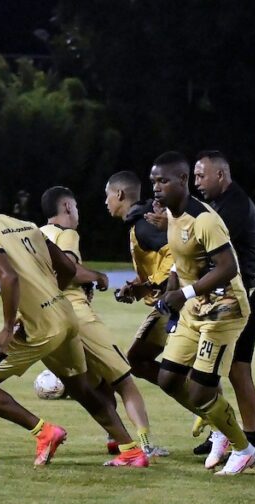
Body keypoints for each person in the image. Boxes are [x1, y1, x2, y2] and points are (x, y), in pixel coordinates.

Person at [0, 173, 145, 467]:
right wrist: (50, 295)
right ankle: (131, 450)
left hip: (39, 327)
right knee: (82, 389)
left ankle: (44, 431)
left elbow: (8, 276)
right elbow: (68, 267)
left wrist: (7, 327)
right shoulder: (25, 225)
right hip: (66, 316)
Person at [40, 185, 168, 460]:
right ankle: (144, 444)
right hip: (77, 315)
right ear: (66, 208)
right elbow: (70, 269)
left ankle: (115, 439)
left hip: (48, 318)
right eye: (75, 207)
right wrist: (98, 277)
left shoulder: (37, 236)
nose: (77, 213)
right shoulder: (66, 234)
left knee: (96, 385)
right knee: (124, 381)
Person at [151, 151, 255, 475]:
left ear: (183, 181)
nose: (156, 188)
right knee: (168, 379)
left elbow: (228, 268)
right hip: (195, 309)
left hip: (224, 310)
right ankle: (219, 426)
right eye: (153, 181)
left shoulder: (205, 219)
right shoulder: (172, 214)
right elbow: (181, 264)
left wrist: (181, 294)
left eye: (163, 181)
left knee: (200, 390)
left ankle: (244, 448)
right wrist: (167, 289)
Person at [188, 150, 255, 464]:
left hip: (248, 292)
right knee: (219, 364)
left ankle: (252, 439)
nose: (197, 183)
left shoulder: (233, 206)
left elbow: (204, 250)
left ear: (220, 175)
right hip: (231, 294)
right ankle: (221, 432)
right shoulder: (218, 205)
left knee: (237, 367)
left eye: (201, 176)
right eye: (194, 176)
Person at [104, 171, 200, 424]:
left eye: (107, 195)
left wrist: (151, 285)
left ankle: (209, 412)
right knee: (155, 363)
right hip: (180, 299)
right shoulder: (143, 220)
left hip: (176, 302)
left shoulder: (143, 223)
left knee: (138, 360)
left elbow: (174, 254)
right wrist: (139, 285)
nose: (105, 202)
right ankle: (210, 414)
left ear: (120, 194)